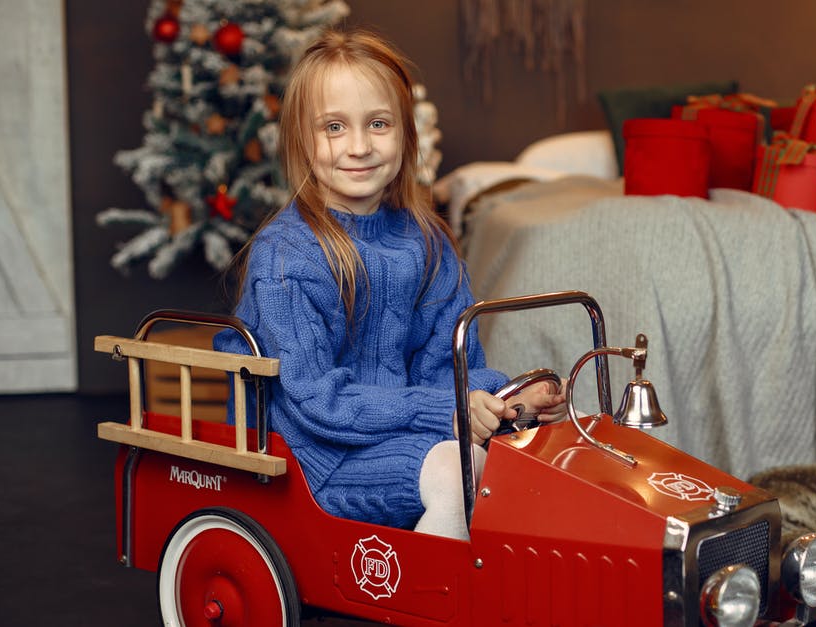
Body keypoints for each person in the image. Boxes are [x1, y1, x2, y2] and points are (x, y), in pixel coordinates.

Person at [215, 28, 564, 540]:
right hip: (309, 457)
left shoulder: (429, 243)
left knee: (526, 460)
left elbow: (448, 366)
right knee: (457, 468)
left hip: (398, 438)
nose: (358, 147)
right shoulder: (287, 258)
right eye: (334, 127)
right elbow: (319, 405)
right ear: (301, 140)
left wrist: (503, 397)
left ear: (405, 134)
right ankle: (440, 602)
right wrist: (450, 412)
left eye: (378, 124)